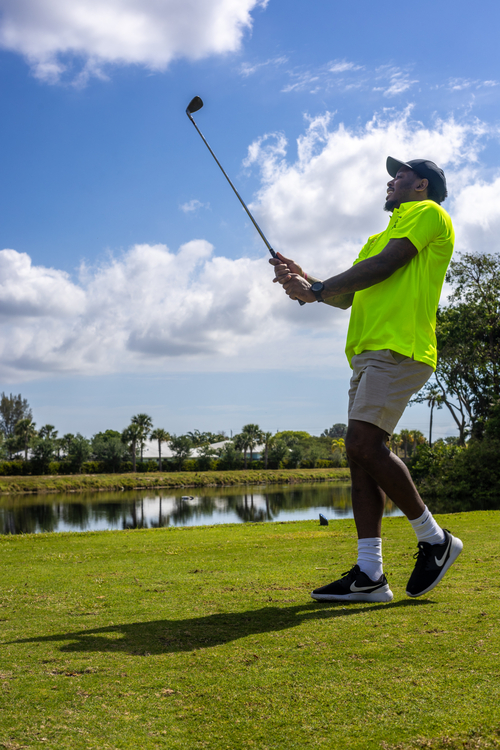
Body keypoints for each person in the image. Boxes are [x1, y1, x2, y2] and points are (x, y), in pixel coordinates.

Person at [270, 157, 463, 602]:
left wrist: (318, 289)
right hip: (367, 354)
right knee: (360, 457)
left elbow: (388, 266)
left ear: (422, 185)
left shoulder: (429, 214)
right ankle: (370, 573)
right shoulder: (379, 235)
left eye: (399, 175)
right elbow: (348, 296)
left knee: (361, 444)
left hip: (400, 348)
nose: (390, 181)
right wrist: (306, 282)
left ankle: (435, 539)